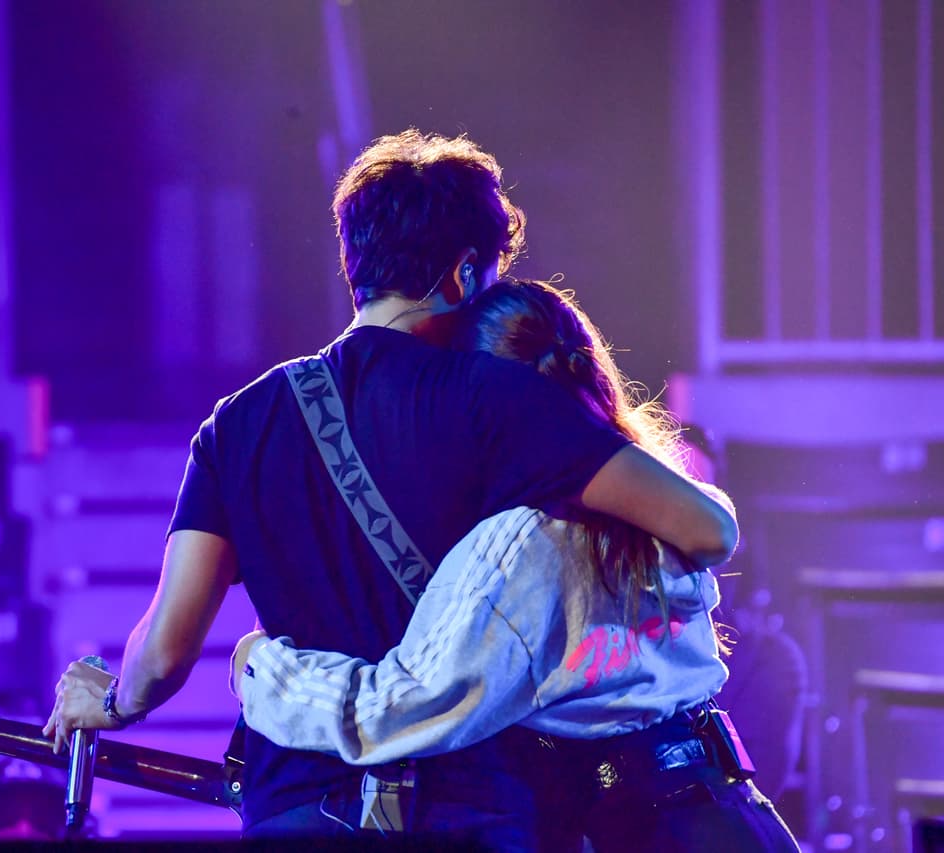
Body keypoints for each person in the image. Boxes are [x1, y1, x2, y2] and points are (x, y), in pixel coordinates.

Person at [43, 130, 738, 844]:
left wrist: (116, 701)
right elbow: (704, 530)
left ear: (356, 262)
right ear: (465, 274)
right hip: (473, 810)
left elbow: (163, 653)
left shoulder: (237, 423)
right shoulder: (498, 398)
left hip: (296, 809)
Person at [232, 280, 799, 851]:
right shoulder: (659, 510)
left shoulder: (523, 545)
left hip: (647, 830)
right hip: (733, 816)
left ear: (486, 398)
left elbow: (392, 713)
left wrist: (262, 668)